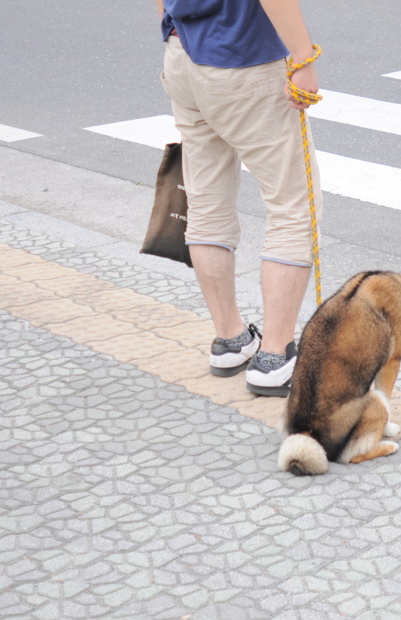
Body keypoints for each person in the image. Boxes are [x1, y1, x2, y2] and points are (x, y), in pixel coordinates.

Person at [157, 0, 322, 397]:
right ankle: (274, 357)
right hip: (242, 59)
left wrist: (171, 28)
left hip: (183, 54)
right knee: (292, 205)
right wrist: (303, 56)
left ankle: (230, 339)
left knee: (207, 201)